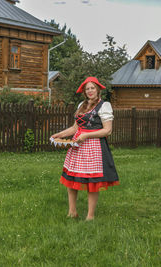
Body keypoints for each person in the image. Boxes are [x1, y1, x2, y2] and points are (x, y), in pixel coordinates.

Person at [51, 77, 119, 221]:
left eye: (92, 88)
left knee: (92, 183)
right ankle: (72, 212)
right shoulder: (82, 105)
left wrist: (86, 135)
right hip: (77, 146)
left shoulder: (104, 105)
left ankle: (90, 216)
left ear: (98, 89)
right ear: (84, 91)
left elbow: (107, 130)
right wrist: (60, 134)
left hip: (94, 147)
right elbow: (75, 128)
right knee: (72, 178)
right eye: (87, 89)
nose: (90, 91)